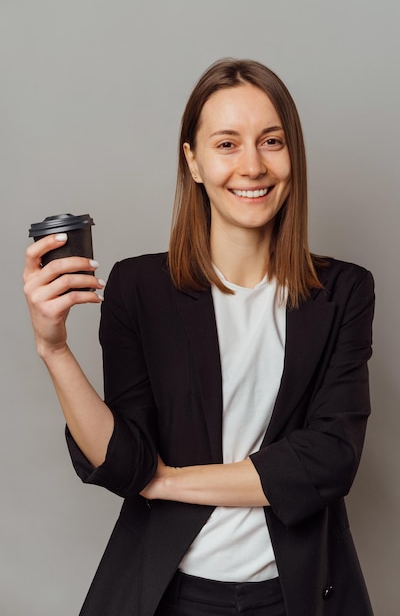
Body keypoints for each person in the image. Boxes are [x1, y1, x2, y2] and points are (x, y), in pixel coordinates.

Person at [23, 58, 375, 616]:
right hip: (172, 593)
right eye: (227, 144)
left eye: (272, 141)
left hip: (298, 594)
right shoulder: (139, 288)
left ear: (293, 155)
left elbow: (329, 461)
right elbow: (122, 463)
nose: (253, 166)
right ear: (194, 161)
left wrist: (164, 483)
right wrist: (54, 347)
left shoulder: (343, 293)